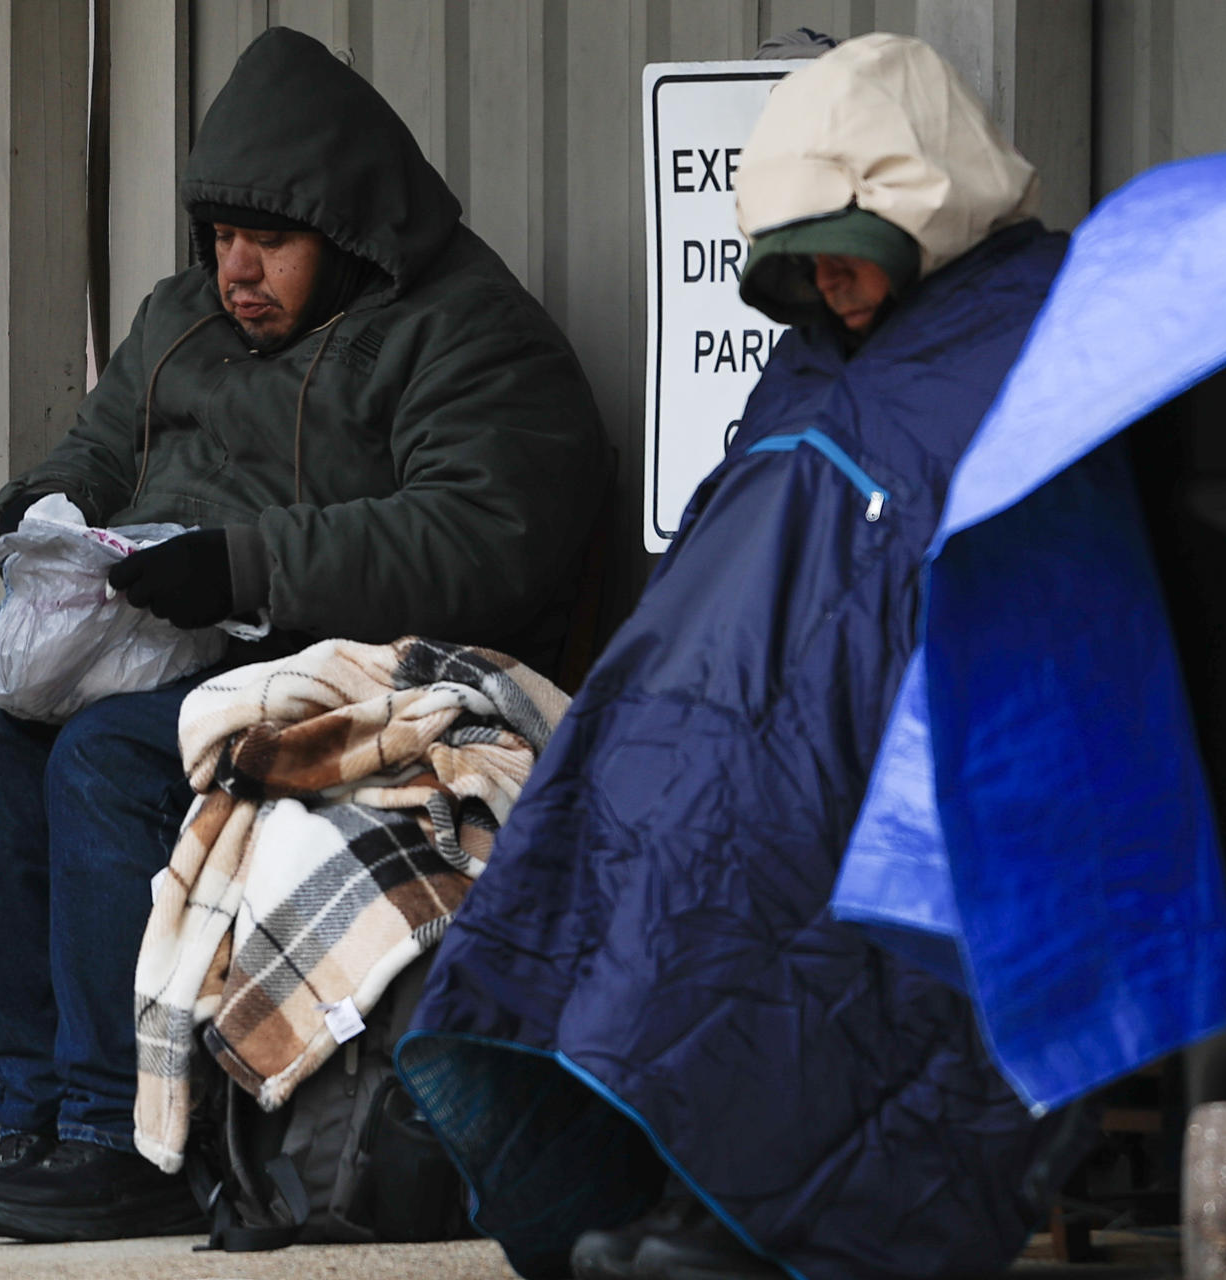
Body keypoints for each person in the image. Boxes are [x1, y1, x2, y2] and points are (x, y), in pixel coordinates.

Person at [396, 33, 1099, 1280]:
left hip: (928, 713)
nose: (829, 287)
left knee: (749, 843)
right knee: (628, 817)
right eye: (802, 266)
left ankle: (749, 1202)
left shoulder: (1038, 327)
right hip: (728, 708)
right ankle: (675, 1174)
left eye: (849, 255)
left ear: (921, 213)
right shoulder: (814, 362)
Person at [0, 25, 608, 1244]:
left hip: (363, 664)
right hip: (187, 644)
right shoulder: (183, 316)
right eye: (220, 237)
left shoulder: (468, 332)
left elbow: (485, 535)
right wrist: (50, 511)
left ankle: (115, 1133)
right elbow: (100, 446)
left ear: (347, 228)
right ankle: (29, 1103)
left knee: (107, 759)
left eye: (270, 241)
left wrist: (248, 564)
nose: (236, 268)